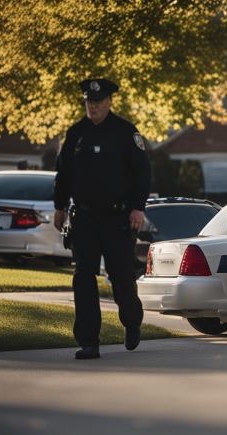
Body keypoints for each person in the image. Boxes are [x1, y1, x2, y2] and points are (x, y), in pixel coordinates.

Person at [53, 78, 152, 359]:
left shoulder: (125, 132)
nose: (92, 107)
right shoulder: (75, 134)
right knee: (83, 278)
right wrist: (59, 207)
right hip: (83, 218)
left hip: (118, 218)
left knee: (122, 277)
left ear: (109, 102)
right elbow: (64, 174)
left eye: (97, 102)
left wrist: (138, 208)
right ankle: (88, 341)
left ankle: (132, 320)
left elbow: (142, 173)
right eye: (88, 102)